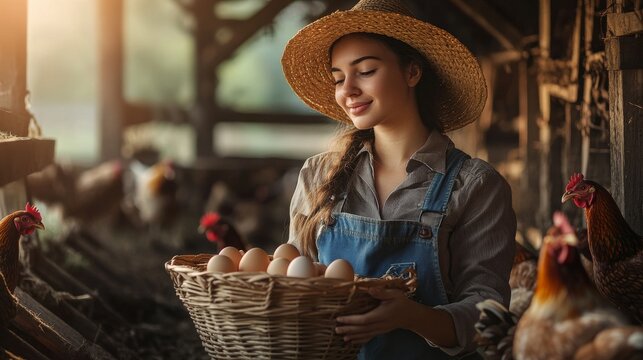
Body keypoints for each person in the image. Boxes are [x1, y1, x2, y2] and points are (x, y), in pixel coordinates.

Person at [281, 0, 516, 358]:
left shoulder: (475, 186)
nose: (348, 90)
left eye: (366, 70)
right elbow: (292, 280)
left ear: (412, 72)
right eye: (338, 78)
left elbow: (487, 315)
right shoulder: (319, 175)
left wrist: (412, 316)